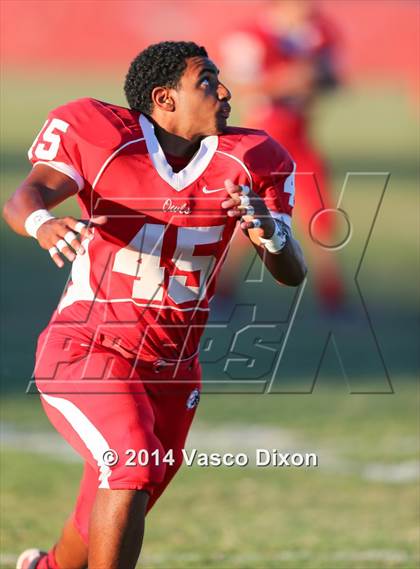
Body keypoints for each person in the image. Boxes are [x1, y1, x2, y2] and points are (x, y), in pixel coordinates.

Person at [3, 41, 306, 569]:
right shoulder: (101, 137)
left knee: (118, 497)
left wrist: (269, 234)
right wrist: (42, 224)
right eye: (207, 82)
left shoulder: (254, 159)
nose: (225, 91)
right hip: (89, 346)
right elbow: (26, 195)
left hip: (172, 370)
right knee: (130, 468)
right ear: (164, 98)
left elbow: (292, 272)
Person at [221, 0, 345, 312]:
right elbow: (235, 87)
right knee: (247, 216)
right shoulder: (250, 36)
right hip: (264, 139)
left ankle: (332, 295)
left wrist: (317, 77)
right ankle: (221, 291)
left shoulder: (319, 33)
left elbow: (334, 79)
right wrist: (284, 80)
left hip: (300, 138)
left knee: (322, 214)